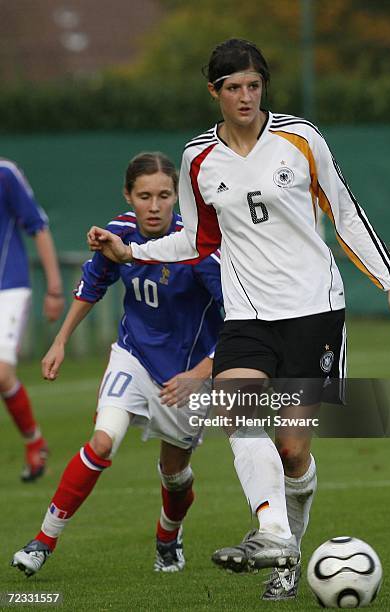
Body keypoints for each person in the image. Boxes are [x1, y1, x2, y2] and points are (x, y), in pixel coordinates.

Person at [85, 39, 390, 600]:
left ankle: (287, 562)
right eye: (233, 87)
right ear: (214, 92)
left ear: (264, 86)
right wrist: (132, 253)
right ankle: (272, 534)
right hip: (246, 316)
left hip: (314, 309)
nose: (245, 96)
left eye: (254, 85)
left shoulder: (300, 138)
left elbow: (344, 211)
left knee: (293, 450)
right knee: (238, 414)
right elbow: (196, 239)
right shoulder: (197, 159)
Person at [11, 152, 223, 577]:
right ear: (129, 196)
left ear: (177, 198)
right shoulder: (119, 233)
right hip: (134, 357)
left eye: (165, 195)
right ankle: (43, 540)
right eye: (144, 195)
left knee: (175, 474)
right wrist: (60, 341)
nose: (155, 205)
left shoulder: (199, 249)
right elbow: (93, 285)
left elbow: (240, 320)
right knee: (102, 442)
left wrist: (199, 374)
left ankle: (168, 536)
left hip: (186, 375)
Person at [0, 158, 64, 482]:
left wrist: (54, 288)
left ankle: (33, 443)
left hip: (7, 286)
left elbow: (37, 226)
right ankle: (35, 443)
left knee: (1, 372)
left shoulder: (5, 173)